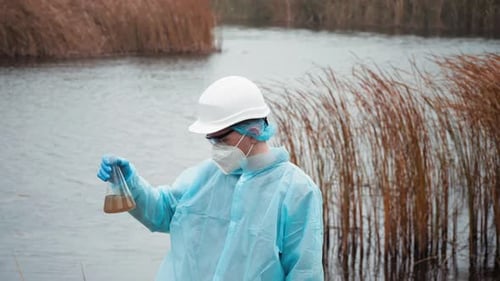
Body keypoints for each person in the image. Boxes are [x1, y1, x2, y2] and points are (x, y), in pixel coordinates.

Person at [97, 76, 324, 281]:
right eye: (210, 140)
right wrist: (130, 182)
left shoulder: (298, 191)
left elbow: (304, 272)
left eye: (221, 139)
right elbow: (163, 212)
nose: (215, 147)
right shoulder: (208, 175)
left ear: (253, 130)